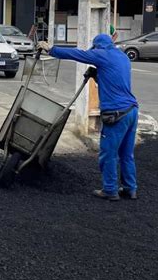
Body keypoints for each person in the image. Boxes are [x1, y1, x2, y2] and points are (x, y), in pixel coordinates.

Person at [38, 34, 139, 201]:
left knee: (108, 153)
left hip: (117, 114)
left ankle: (110, 190)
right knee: (126, 154)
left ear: (98, 47)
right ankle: (130, 188)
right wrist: (97, 76)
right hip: (132, 111)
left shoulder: (101, 54)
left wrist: (51, 49)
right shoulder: (122, 56)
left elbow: (77, 54)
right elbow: (114, 80)